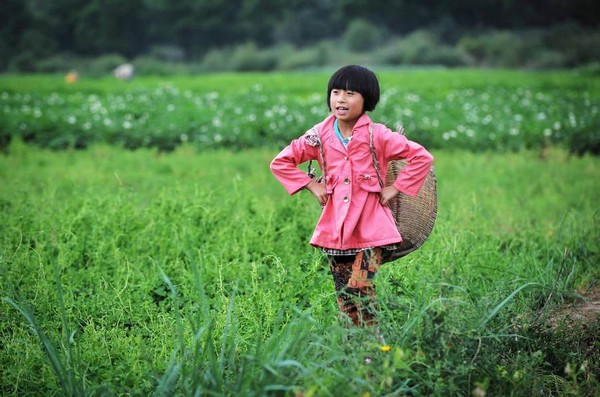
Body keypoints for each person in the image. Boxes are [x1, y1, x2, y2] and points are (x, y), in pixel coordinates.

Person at [270, 65, 433, 334]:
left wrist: (396, 188)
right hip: (336, 231)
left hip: (373, 228)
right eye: (335, 92)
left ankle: (373, 340)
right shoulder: (318, 135)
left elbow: (421, 157)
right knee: (344, 292)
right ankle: (353, 345)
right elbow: (281, 162)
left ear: (366, 100)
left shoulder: (377, 135)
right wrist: (311, 185)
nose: (341, 99)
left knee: (360, 283)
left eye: (350, 93)